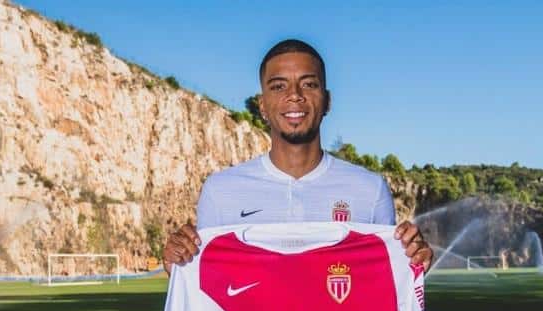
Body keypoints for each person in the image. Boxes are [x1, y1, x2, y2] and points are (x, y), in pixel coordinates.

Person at [163, 39, 433, 273]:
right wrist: (179, 262)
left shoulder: (370, 190)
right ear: (262, 105)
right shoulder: (220, 191)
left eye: (309, 84)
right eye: (278, 86)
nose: (294, 95)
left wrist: (412, 259)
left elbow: (384, 284)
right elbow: (206, 285)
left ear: (327, 101)